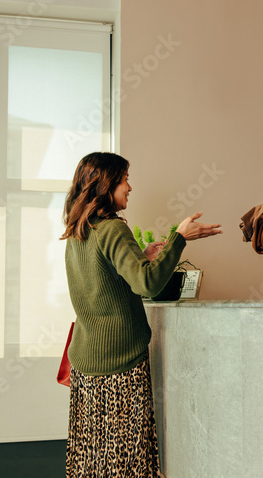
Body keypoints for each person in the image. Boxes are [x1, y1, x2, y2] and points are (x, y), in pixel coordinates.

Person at [60, 152, 221, 477]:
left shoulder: (78, 232)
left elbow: (101, 280)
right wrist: (179, 239)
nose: (129, 187)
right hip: (121, 364)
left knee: (93, 461)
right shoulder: (112, 230)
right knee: (129, 462)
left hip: (86, 363)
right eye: (123, 180)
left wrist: (140, 254)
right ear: (105, 185)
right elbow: (147, 283)